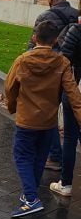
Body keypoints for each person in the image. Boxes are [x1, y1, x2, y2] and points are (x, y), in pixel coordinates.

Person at [5, 20, 81, 217]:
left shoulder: (22, 60)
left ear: (34, 37)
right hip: (48, 121)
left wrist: (12, 107)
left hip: (26, 119)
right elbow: (73, 95)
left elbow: (10, 87)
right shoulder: (62, 63)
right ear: (56, 40)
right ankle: (29, 194)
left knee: (22, 156)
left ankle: (31, 198)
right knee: (39, 158)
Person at [32, 0, 80, 172]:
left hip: (50, 72)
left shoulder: (45, 16)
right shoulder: (76, 15)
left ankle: (55, 155)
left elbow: (34, 44)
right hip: (71, 71)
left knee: (49, 112)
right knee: (72, 109)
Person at [49, 17, 81, 197]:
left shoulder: (76, 31)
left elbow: (63, 63)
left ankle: (66, 184)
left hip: (75, 89)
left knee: (70, 137)